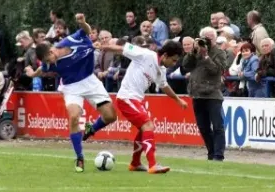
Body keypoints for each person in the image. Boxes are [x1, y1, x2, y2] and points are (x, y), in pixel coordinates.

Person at [25, 14, 117, 173]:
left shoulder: (71, 40)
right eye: (47, 61)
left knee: (110, 116)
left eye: (49, 58)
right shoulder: (48, 65)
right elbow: (42, 70)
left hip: (90, 81)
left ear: (52, 49)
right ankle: (80, 157)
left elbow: (85, 31)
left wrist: (83, 22)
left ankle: (91, 129)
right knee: (74, 117)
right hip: (71, 87)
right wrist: (33, 74)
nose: (50, 62)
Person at [89, 39, 188, 174]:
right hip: (127, 97)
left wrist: (177, 100)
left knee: (144, 130)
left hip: (136, 100)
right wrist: (103, 46)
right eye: (174, 60)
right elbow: (122, 48)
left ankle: (135, 163)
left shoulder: (161, 69)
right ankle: (153, 164)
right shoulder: (146, 55)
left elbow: (164, 85)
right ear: (165, 55)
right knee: (148, 126)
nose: (174, 63)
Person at [182, 27, 228, 161]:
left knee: (218, 125)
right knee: (203, 127)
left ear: (214, 39)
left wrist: (206, 56)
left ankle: (218, 155)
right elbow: (185, 65)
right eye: (205, 38)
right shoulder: (195, 52)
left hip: (213, 93)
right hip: (197, 93)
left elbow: (218, 70)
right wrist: (193, 52)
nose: (207, 41)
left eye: (210, 38)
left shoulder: (219, 52)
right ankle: (211, 152)